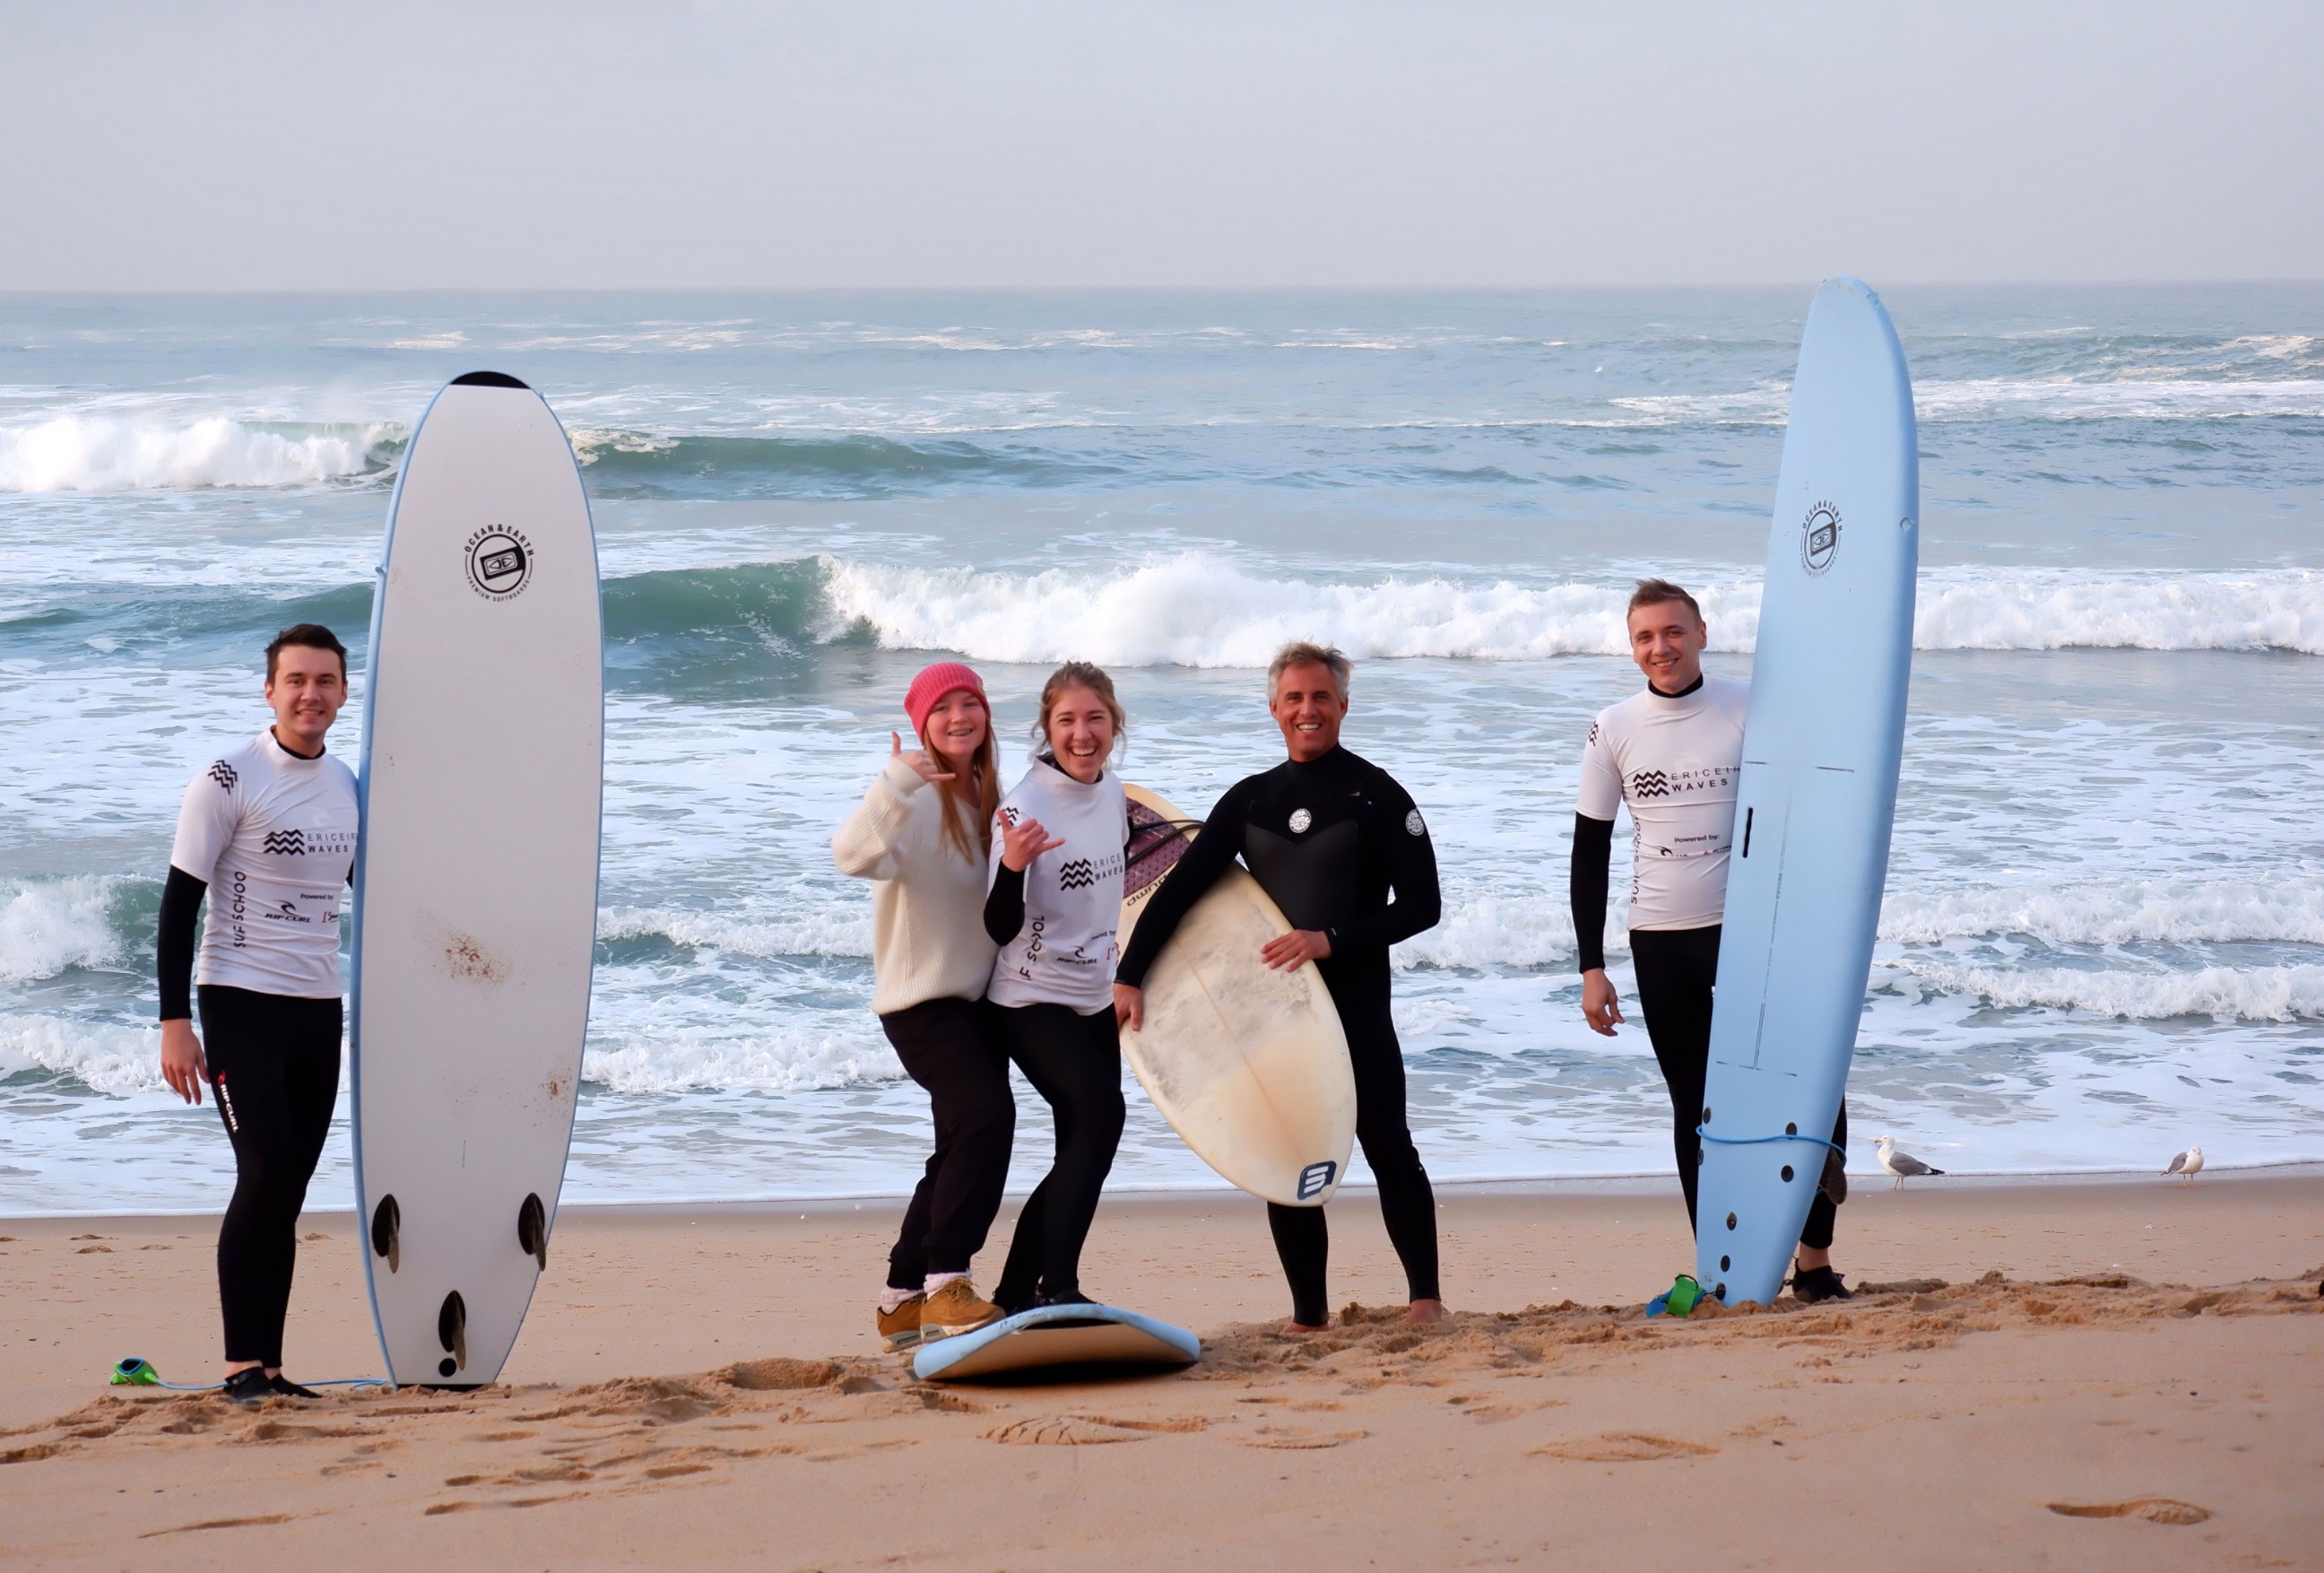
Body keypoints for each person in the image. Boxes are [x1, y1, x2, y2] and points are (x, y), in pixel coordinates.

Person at [1114, 641, 1444, 1334]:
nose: (1307, 710)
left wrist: (1332, 939)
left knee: (1388, 1143)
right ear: (1273, 709)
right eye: (1293, 699)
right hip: (1275, 1015)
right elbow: (1179, 892)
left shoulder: (1378, 794)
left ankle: (1424, 1299)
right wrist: (1130, 975)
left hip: (1354, 1003)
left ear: (1344, 706)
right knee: (1286, 1146)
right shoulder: (1250, 800)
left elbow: (1422, 905)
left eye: (1321, 697)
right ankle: (1309, 1315)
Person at [1569, 578, 1852, 1303]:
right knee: (1695, 1106)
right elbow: (1589, 852)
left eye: (1672, 631)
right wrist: (1592, 966)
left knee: (1813, 1085)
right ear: (1631, 647)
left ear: (1701, 632)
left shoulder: (1750, 706)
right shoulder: (1614, 726)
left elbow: (1810, 809)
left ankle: (1814, 1260)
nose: (1659, 647)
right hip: (1664, 936)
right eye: (1644, 637)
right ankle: (1725, 1266)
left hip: (1758, 931)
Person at [157, 624, 361, 1404]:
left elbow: (368, 896)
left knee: (291, 1185)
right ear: (269, 690)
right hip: (239, 998)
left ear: (343, 692)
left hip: (318, 1006)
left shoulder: (346, 781)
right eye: (296, 680)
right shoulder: (228, 777)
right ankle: (242, 1366)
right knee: (266, 1167)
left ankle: (270, 1370)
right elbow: (180, 903)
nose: (311, 694)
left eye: (326, 681)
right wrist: (175, 1020)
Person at [833, 661, 1014, 1351]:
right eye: (943, 709)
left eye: (971, 703)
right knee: (989, 1117)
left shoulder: (987, 796)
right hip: (921, 1004)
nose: (960, 717)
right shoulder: (910, 798)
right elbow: (850, 855)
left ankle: (901, 1298)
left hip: (976, 1004)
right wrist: (897, 781)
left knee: (956, 1146)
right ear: (921, 725)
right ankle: (948, 1283)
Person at [981, 662, 1132, 1312]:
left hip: (1094, 996)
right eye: (1067, 720)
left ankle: (1015, 1292)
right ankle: (1057, 1287)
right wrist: (1013, 865)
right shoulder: (1023, 806)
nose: (1082, 733)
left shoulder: (1114, 792)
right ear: (1046, 726)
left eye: (1094, 718)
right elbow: (997, 925)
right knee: (1101, 1116)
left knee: (1086, 1139)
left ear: (1114, 723)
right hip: (1028, 996)